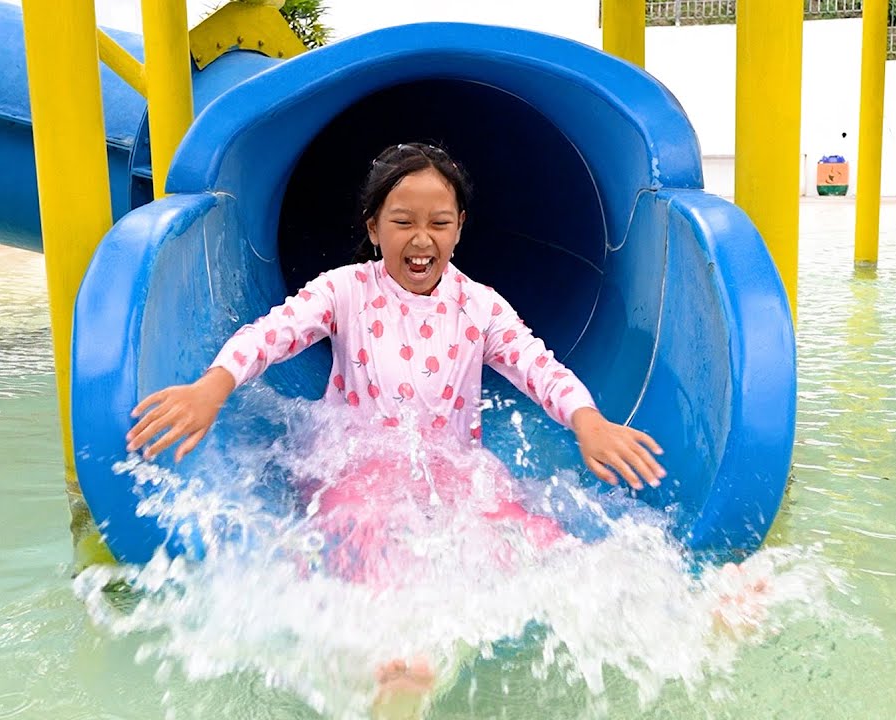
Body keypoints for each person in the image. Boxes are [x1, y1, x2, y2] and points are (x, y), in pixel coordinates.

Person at [125, 142, 667, 715]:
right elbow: (273, 332)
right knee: (363, 527)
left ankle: (663, 609)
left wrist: (587, 420)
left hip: (448, 469)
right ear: (374, 227)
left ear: (460, 228)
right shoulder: (345, 291)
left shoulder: (479, 306)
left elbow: (538, 366)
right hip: (355, 466)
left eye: (439, 223)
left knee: (525, 534)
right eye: (403, 222)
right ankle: (398, 664)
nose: (422, 239)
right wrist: (213, 386)